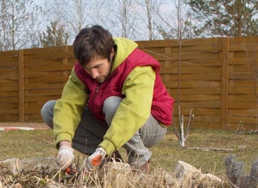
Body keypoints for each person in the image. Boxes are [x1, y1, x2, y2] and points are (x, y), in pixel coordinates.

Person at [41, 25, 174, 172]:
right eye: (88, 68)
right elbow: (68, 105)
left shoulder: (137, 66)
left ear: (111, 53)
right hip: (109, 120)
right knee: (51, 110)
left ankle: (140, 161)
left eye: (98, 66)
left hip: (150, 124)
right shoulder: (82, 71)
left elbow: (133, 112)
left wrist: (104, 148)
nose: (93, 74)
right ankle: (109, 162)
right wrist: (64, 146)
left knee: (112, 104)